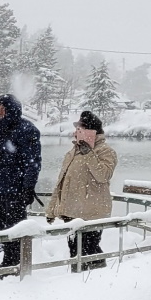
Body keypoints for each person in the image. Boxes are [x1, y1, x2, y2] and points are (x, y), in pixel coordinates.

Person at [47, 110, 118, 272]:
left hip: (92, 213)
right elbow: (61, 182)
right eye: (77, 128)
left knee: (89, 249)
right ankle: (81, 278)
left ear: (91, 130)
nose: (75, 132)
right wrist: (52, 209)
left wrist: (89, 153)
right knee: (75, 250)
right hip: (71, 211)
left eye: (80, 128)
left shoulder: (105, 151)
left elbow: (103, 176)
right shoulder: (73, 151)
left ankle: (95, 278)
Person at [0, 94, 42, 273]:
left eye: (3, 109)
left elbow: (33, 162)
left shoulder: (27, 130)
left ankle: (17, 265)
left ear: (12, 109)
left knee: (17, 229)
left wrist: (28, 188)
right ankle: (9, 261)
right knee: (2, 228)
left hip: (16, 190)